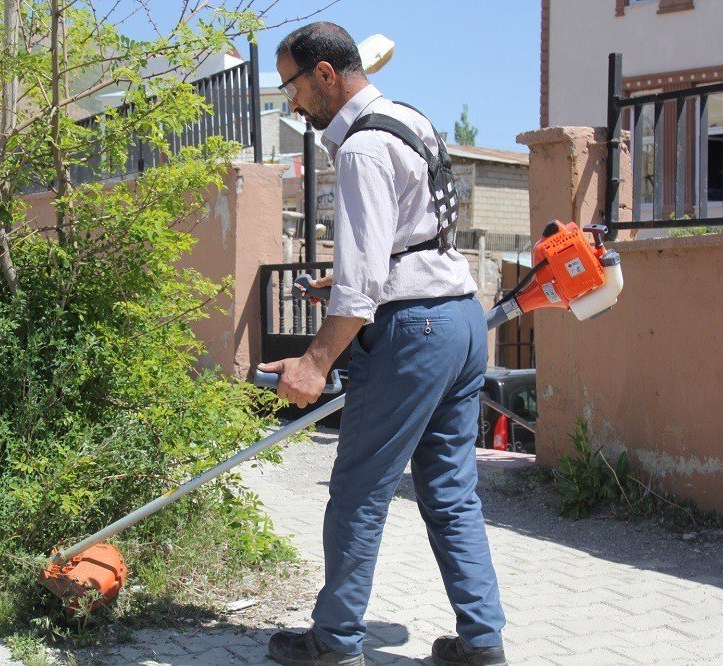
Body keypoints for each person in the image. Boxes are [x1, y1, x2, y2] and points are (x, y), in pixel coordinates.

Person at [258, 22, 507, 666]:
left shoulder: (362, 148)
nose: (291, 102)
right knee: (451, 491)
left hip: (412, 335)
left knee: (360, 490)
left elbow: (368, 277)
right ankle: (482, 643)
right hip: (459, 319)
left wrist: (316, 361)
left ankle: (335, 643)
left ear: (324, 75)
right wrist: (340, 281)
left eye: (292, 86)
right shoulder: (409, 118)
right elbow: (413, 238)